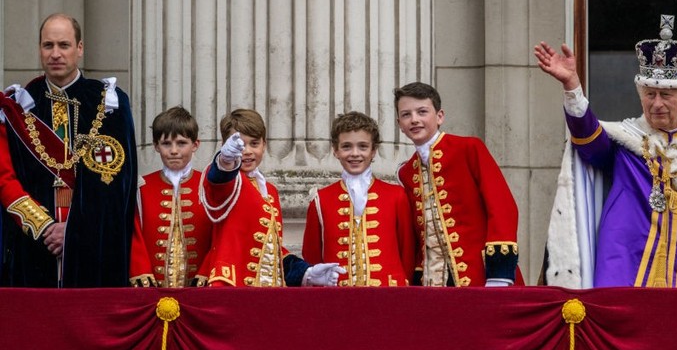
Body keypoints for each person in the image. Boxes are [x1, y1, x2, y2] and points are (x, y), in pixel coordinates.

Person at [534, 14, 677, 288]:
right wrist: (572, 87)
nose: (657, 103)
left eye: (666, 95)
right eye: (649, 94)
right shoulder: (625, 139)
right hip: (623, 259)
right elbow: (589, 143)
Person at [0, 13, 137, 287]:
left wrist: (74, 231)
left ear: (80, 48)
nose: (55, 54)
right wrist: (45, 227)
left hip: (93, 245)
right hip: (35, 245)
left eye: (64, 45)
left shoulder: (110, 103)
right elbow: (5, 178)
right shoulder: (18, 105)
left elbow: (117, 184)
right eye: (48, 45)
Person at [394, 82, 523, 287]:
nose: (414, 120)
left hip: (482, 276)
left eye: (422, 112)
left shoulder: (469, 148)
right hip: (433, 283)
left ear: (439, 116)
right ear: (400, 124)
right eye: (406, 114)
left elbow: (503, 207)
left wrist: (499, 273)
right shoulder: (407, 172)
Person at [199, 108, 344, 287]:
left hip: (267, 291)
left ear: (264, 145)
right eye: (240, 145)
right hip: (231, 287)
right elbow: (218, 179)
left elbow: (274, 251)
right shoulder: (230, 180)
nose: (247, 151)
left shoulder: (270, 190)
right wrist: (226, 160)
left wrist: (305, 272)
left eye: (254, 143)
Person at [302, 111, 415, 286]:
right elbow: (312, 255)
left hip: (390, 294)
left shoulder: (396, 195)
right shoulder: (320, 199)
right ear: (335, 150)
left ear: (374, 150)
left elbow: (407, 251)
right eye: (346, 146)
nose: (355, 153)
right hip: (338, 298)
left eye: (363, 146)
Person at [129, 106, 213, 287]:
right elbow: (133, 233)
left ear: (195, 145)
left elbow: (220, 236)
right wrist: (141, 272)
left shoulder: (208, 185)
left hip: (200, 289)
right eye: (166, 143)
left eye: (181, 143)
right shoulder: (141, 186)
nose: (174, 150)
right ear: (156, 146)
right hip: (152, 288)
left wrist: (206, 273)